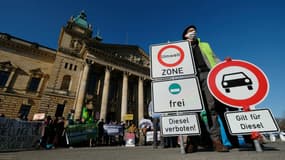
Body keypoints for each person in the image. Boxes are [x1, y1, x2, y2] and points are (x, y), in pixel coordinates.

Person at [182, 25, 229, 152]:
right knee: (192, 110)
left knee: (211, 108)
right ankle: (193, 141)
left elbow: (214, 58)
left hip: (207, 75)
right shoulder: (181, 47)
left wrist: (224, 67)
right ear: (185, 35)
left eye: (194, 30)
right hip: (190, 78)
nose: (193, 32)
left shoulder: (205, 45)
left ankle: (216, 141)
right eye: (190, 31)